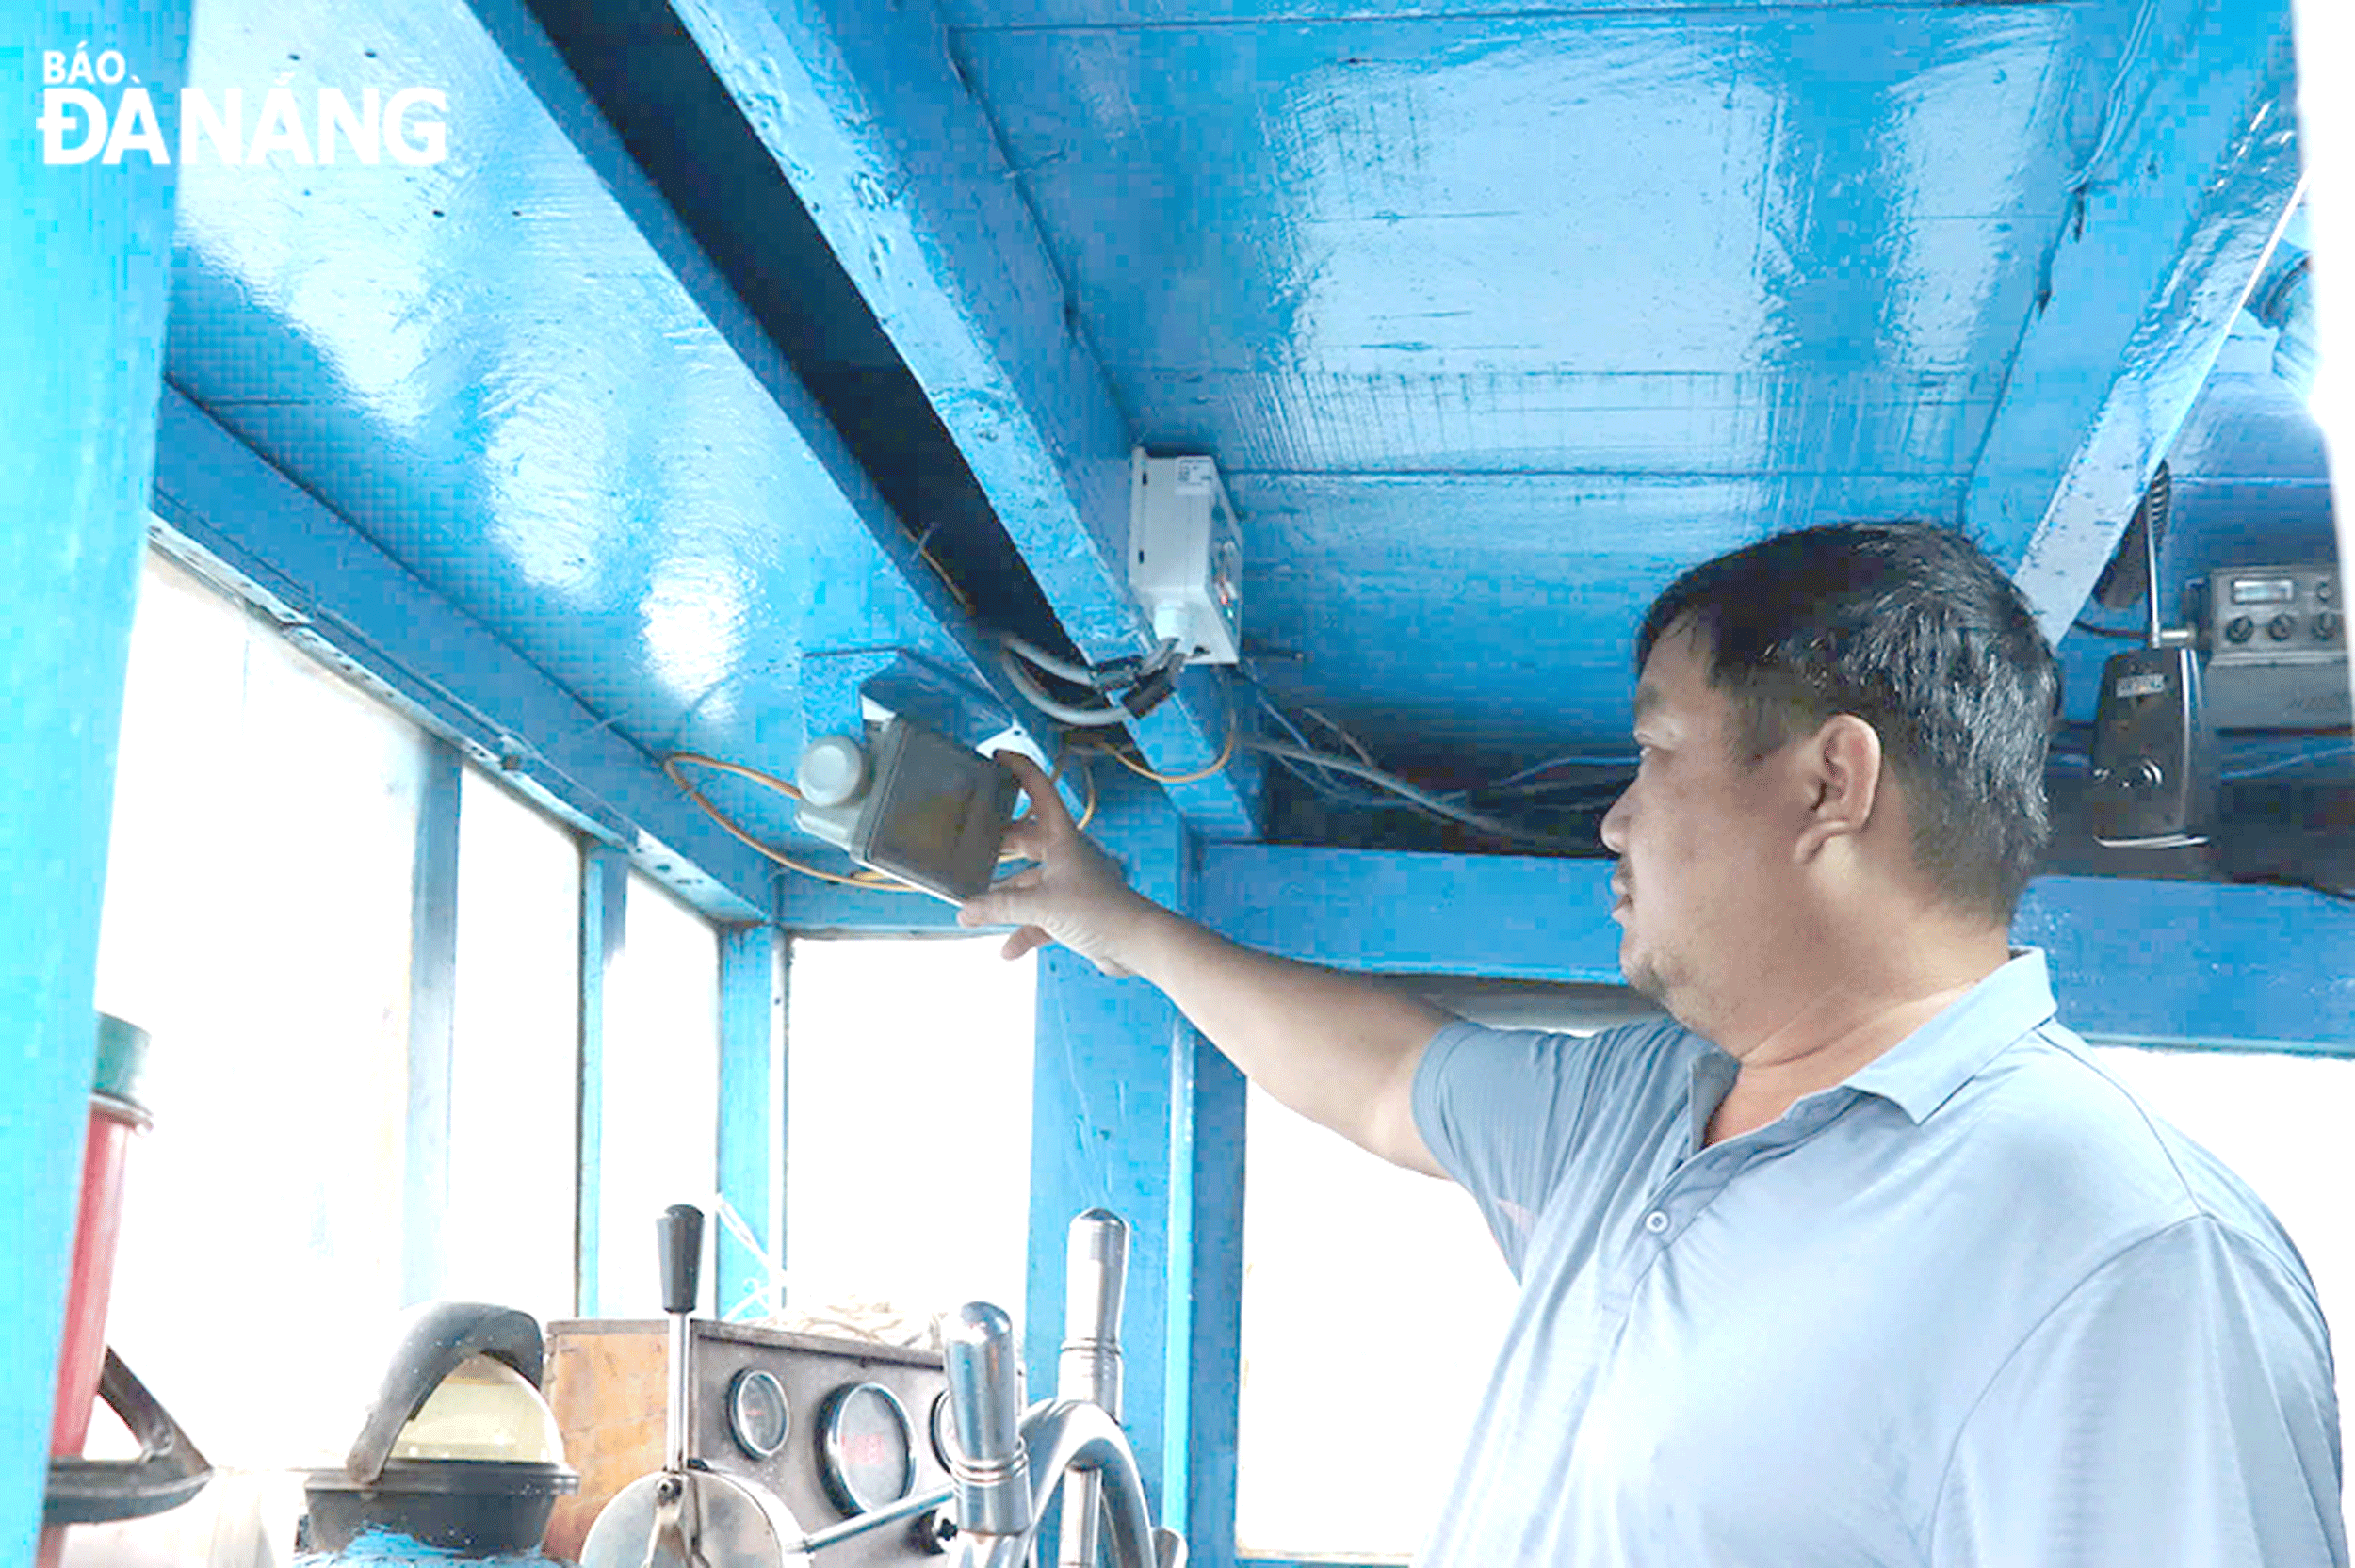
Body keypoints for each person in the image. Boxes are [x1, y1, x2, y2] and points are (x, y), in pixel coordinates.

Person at [958, 521, 2347, 1566]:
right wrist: (1114, 924)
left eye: (1659, 755)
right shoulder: (1646, 1112)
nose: (1616, 820)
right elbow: (1387, 1075)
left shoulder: (2130, 1254)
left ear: (1828, 782)